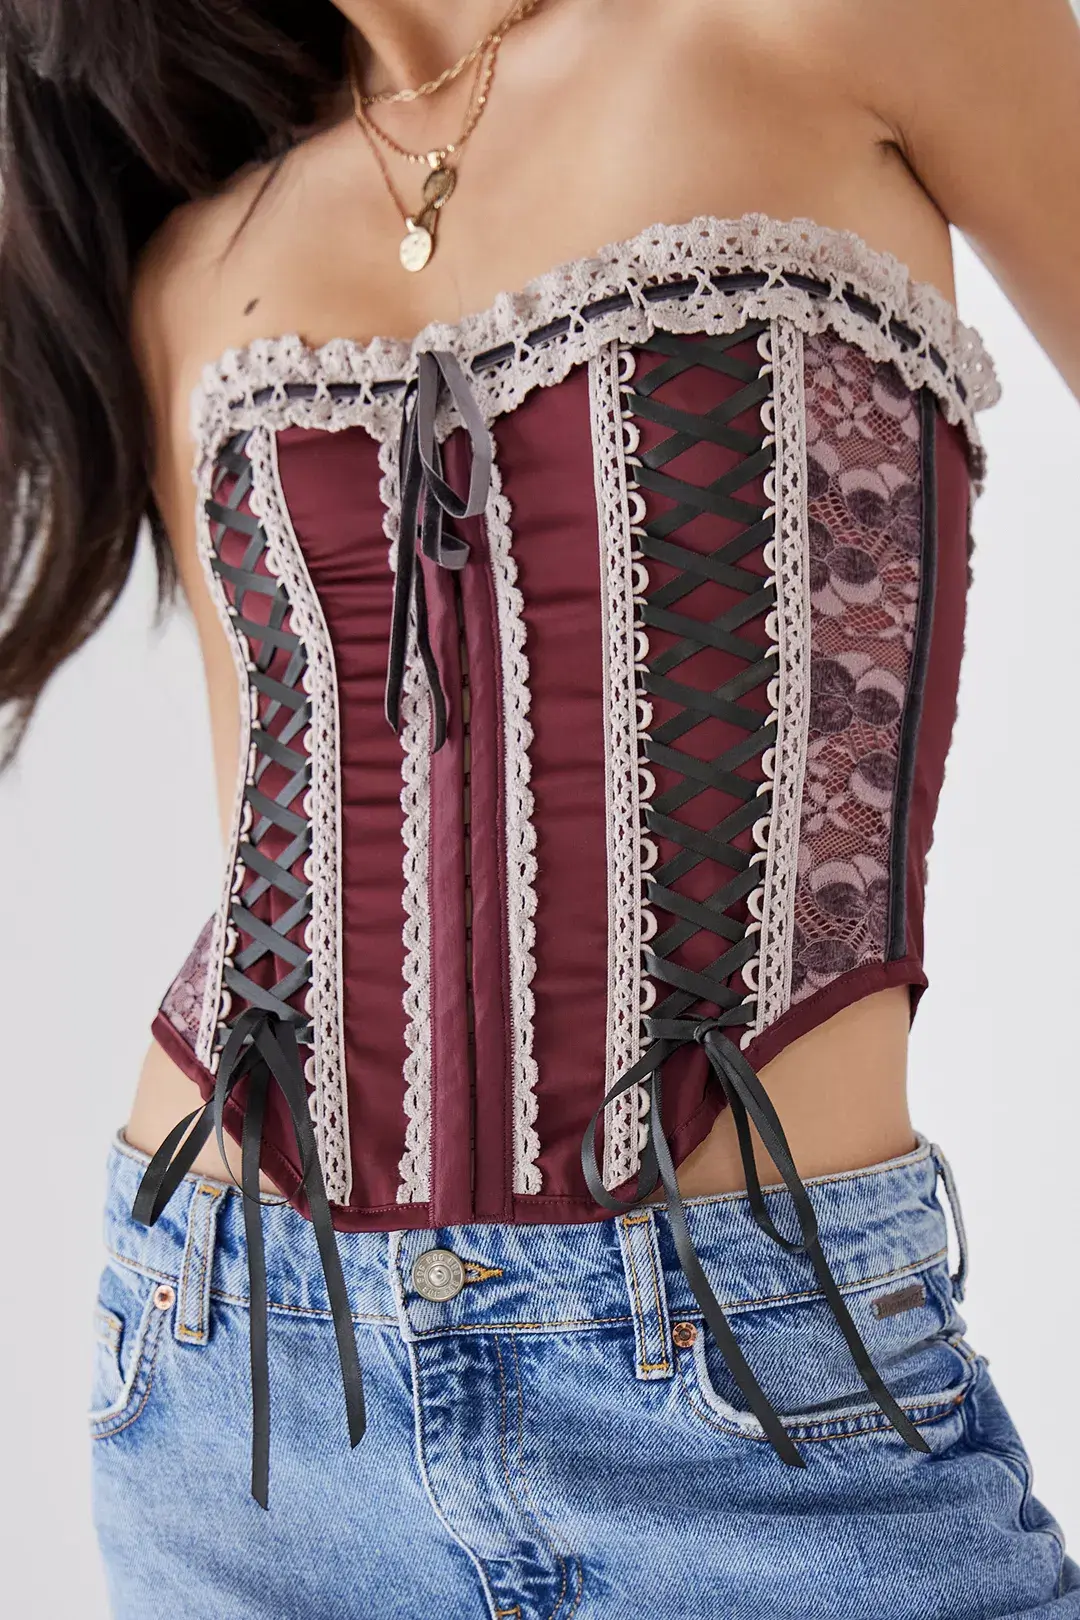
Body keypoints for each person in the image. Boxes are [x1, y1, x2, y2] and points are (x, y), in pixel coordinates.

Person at [2, 1, 1079, 1615]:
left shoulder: (831, 22)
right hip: (256, 1395)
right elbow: (267, 816)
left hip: (757, 1385)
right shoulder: (194, 267)